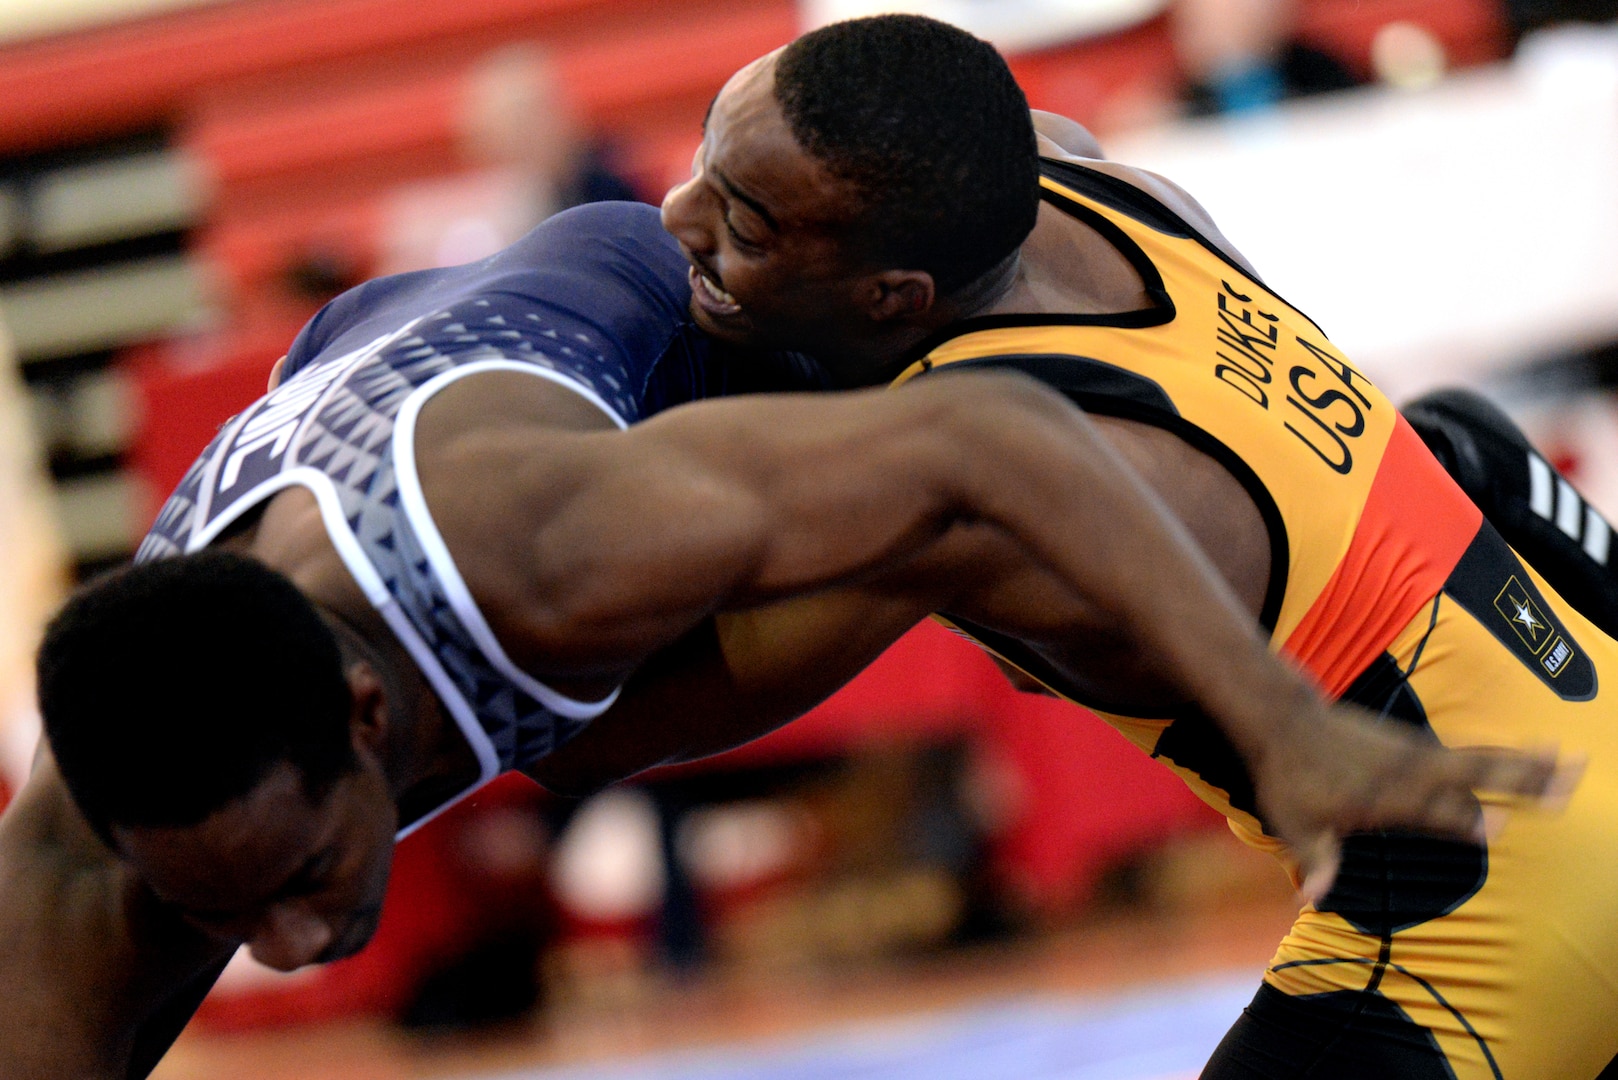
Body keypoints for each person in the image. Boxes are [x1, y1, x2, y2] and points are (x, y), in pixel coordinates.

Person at [0, 192, 1560, 1076]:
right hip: (346, 374)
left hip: (641, 333)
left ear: (360, 714)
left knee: (950, 527)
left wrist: (1283, 727)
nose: (280, 941)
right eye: (230, 907)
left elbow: (988, 441)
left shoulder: (548, 547)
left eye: (298, 876)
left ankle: (1443, 475)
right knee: (590, 737)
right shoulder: (110, 826)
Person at [656, 14, 1617, 1078]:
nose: (673, 212)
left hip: (1509, 885)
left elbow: (610, 736)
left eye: (745, 223)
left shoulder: (967, 477)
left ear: (893, 297)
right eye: (705, 153)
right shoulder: (1067, 166)